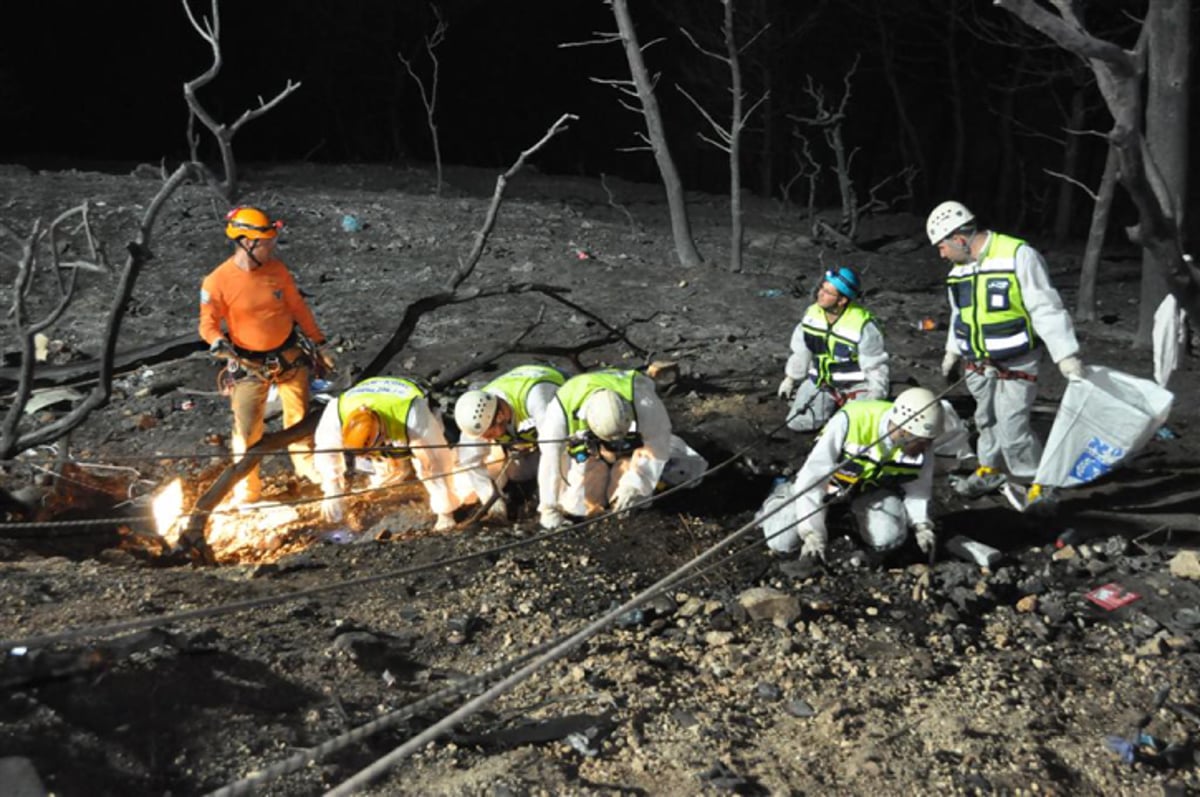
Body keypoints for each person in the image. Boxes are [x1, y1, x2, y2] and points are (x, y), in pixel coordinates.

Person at [926, 201, 1085, 503]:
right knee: (985, 420)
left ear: (959, 238)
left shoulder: (1018, 256)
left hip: (1017, 361)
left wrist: (1066, 355)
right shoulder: (959, 271)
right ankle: (990, 468)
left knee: (1012, 427)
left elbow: (1045, 307)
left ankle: (1037, 483)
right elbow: (960, 315)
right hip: (977, 363)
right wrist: (952, 353)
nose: (941, 253)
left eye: (942, 246)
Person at [199, 206, 332, 504]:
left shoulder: (277, 271)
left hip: (288, 354)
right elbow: (207, 322)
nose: (272, 247)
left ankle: (305, 465)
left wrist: (319, 342)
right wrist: (217, 341)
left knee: (298, 416)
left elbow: (297, 307)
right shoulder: (217, 281)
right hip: (249, 363)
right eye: (267, 242)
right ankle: (247, 487)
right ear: (247, 242)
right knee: (247, 428)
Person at [757, 387, 943, 564]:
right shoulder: (851, 421)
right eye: (923, 442)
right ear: (903, 431)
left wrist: (921, 524)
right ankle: (780, 496)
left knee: (888, 538)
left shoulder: (919, 443)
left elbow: (919, 486)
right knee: (781, 541)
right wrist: (811, 532)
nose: (927, 448)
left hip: (867, 491)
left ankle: (850, 520)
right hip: (826, 485)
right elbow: (812, 479)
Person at [536, 369, 708, 530]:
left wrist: (635, 484)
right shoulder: (561, 409)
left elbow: (657, 443)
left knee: (637, 501)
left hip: (634, 453)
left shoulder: (644, 402)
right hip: (593, 454)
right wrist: (549, 507)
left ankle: (627, 480)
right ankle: (601, 470)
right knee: (577, 506)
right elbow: (550, 459)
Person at [313, 376, 461, 530]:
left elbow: (436, 462)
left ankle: (447, 509)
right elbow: (325, 450)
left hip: (411, 406)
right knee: (389, 475)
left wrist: (445, 509)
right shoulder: (336, 413)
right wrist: (332, 488)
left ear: (383, 434)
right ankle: (390, 474)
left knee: (430, 462)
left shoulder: (412, 415)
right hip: (373, 396)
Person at [777, 266, 889, 431]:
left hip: (856, 387)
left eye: (828, 292)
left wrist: (875, 396)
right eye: (822, 288)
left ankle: (844, 413)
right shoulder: (811, 315)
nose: (820, 294)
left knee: (850, 430)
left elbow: (875, 365)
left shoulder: (863, 326)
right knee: (798, 423)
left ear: (842, 300)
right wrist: (790, 379)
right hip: (821, 383)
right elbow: (801, 351)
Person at [453, 364, 568, 519]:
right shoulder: (478, 415)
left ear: (500, 417)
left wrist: (549, 505)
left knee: (575, 494)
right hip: (527, 436)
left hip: (563, 413)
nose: (486, 439)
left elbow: (556, 448)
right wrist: (493, 504)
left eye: (488, 434)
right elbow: (470, 461)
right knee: (518, 474)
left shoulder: (538, 401)